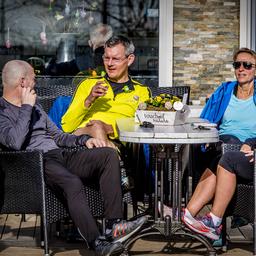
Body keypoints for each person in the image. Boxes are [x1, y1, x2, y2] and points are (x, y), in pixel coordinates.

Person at [0, 60, 147, 256]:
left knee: (107, 155)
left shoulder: (36, 108)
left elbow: (58, 136)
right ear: (23, 82)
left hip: (60, 154)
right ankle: (97, 243)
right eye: (34, 79)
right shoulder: (3, 111)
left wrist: (85, 140)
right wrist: (26, 107)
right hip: (37, 162)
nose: (36, 83)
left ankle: (114, 225)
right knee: (72, 182)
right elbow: (15, 142)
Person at [182, 47, 256, 240]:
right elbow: (207, 120)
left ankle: (213, 222)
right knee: (222, 152)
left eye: (247, 65)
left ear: (255, 69)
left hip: (250, 155)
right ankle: (188, 215)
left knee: (228, 157)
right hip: (223, 147)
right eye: (237, 64)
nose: (241, 69)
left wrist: (252, 142)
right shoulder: (225, 91)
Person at [61, 35, 150, 147]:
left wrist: (111, 129)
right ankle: (111, 155)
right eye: (106, 58)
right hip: (83, 140)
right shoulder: (88, 84)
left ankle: (108, 155)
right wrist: (88, 100)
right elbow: (67, 126)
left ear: (130, 60)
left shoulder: (141, 91)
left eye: (116, 59)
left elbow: (144, 126)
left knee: (98, 128)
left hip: (118, 142)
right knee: (96, 127)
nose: (110, 64)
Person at [45, 23, 113, 77]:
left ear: (90, 43)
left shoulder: (82, 62)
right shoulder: (120, 61)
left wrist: (52, 60)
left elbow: (53, 70)